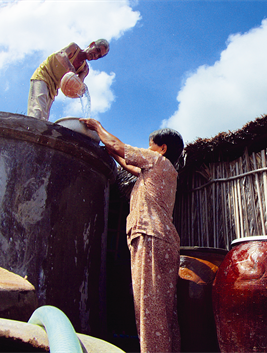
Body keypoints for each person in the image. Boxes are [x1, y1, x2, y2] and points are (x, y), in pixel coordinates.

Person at [80, 118, 184, 353]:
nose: (146, 150)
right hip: (165, 240)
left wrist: (97, 127)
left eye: (149, 145)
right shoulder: (165, 171)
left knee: (149, 305)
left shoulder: (157, 160)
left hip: (149, 235)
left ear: (162, 148)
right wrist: (110, 149)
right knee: (165, 307)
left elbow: (120, 147)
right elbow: (127, 163)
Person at [27, 40, 109, 121]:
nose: (95, 55)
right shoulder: (74, 48)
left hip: (53, 88)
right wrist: (70, 68)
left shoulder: (84, 69)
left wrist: (80, 90)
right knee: (36, 112)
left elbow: (77, 86)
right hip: (43, 75)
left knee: (43, 119)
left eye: (99, 56)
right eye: (97, 50)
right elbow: (59, 54)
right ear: (92, 44)